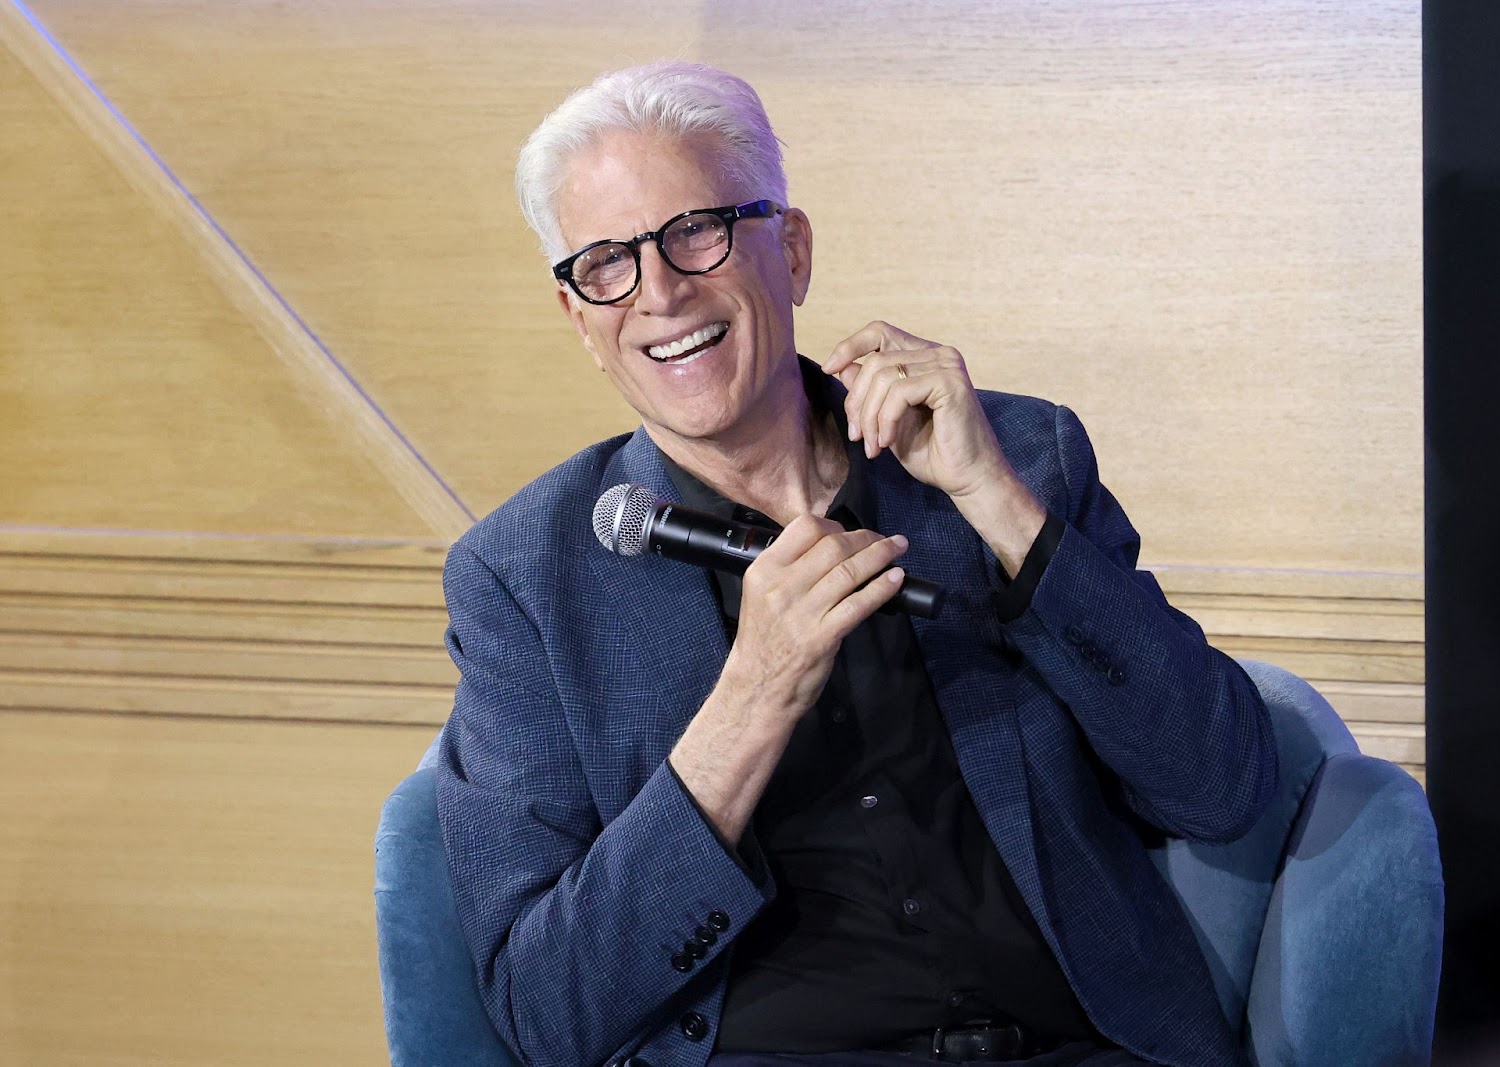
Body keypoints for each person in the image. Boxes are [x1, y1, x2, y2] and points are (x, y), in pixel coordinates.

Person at [436, 61, 1277, 1067]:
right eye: (607, 262)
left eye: (695, 231)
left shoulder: (1015, 454)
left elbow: (1222, 785)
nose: (659, 292)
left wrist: (999, 506)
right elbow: (546, 1010)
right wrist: (747, 702)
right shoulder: (523, 574)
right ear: (579, 315)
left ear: (788, 251)